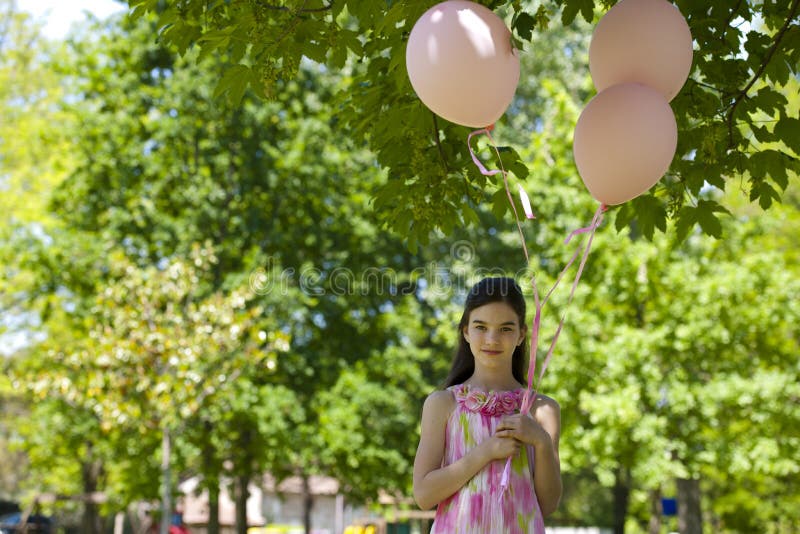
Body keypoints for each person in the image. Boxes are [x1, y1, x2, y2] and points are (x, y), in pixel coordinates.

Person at [413, 277, 562, 533]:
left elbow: (547, 504)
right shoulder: (443, 404)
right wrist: (486, 452)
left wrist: (542, 442)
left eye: (505, 328)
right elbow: (424, 495)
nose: (492, 339)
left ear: (521, 334)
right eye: (481, 327)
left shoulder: (542, 410)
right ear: (466, 331)